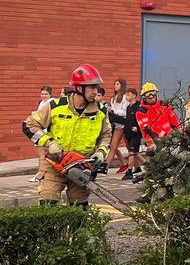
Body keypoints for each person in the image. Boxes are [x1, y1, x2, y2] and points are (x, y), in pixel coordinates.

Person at [24, 64, 111, 206]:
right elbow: (29, 125)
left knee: (79, 207)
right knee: (48, 203)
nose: (95, 92)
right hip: (54, 164)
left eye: (97, 87)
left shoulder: (100, 111)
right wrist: (49, 142)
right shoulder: (56, 106)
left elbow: (106, 136)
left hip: (81, 167)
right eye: (92, 87)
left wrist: (101, 152)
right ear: (79, 88)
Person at [128, 82, 180, 184]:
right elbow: (146, 130)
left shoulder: (164, 105)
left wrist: (179, 133)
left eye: (153, 94)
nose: (151, 97)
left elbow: (174, 120)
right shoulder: (141, 111)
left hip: (170, 139)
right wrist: (152, 144)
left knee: (175, 164)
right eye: (148, 95)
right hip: (154, 143)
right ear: (144, 97)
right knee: (160, 167)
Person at [31, 86, 56, 183]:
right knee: (41, 154)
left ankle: (41, 174)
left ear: (50, 95)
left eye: (46, 94)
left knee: (43, 155)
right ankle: (42, 173)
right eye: (42, 94)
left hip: (47, 133)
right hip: (40, 131)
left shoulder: (51, 103)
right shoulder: (41, 103)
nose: (44, 96)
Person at [107, 79, 130, 173]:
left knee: (129, 147)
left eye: (117, 84)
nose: (115, 86)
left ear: (122, 86)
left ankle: (135, 166)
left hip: (124, 124)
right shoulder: (113, 98)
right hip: (116, 124)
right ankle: (123, 164)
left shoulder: (125, 97)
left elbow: (125, 112)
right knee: (113, 146)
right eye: (115, 84)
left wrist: (114, 111)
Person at [122, 88, 143, 181]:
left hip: (136, 134)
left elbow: (142, 120)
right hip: (128, 133)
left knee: (131, 152)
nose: (127, 96)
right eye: (126, 95)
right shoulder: (128, 107)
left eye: (128, 94)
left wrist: (138, 128)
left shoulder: (138, 107)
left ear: (134, 95)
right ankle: (139, 167)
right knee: (135, 153)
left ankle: (129, 171)